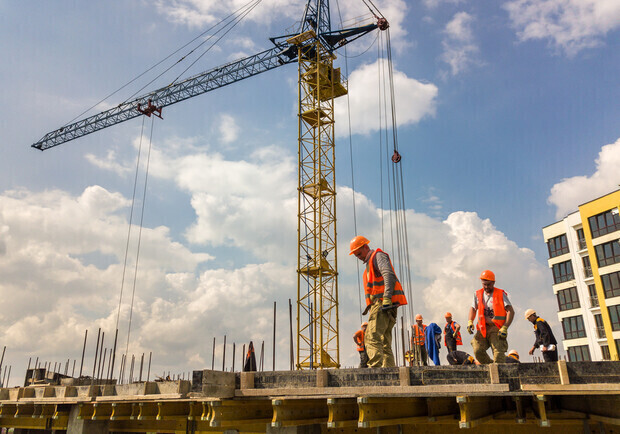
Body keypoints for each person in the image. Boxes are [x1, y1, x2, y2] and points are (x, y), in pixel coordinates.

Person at [349, 236, 408, 368]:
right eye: (355, 255)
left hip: (383, 303)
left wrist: (386, 297)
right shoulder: (370, 264)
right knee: (384, 341)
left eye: (359, 253)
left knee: (371, 337)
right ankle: (389, 372)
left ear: (366, 247)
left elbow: (389, 275)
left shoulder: (377, 256)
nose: (358, 257)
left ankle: (375, 370)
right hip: (385, 304)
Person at [467, 270, 515, 363]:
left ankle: (498, 369)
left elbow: (511, 311)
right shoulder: (478, 294)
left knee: (498, 354)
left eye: (488, 284)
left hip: (496, 328)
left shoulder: (500, 293)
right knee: (477, 350)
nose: (486, 287)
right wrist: (470, 321)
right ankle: (491, 367)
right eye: (484, 284)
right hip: (483, 328)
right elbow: (473, 308)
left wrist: (505, 327)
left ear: (493, 282)